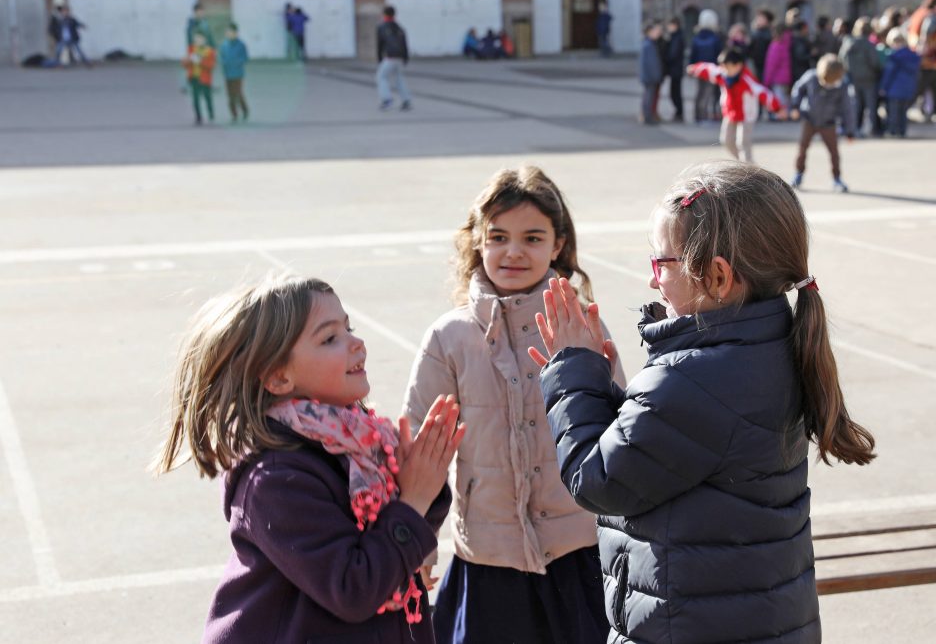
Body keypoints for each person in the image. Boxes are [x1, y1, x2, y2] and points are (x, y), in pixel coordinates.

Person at [529, 161, 876, 644]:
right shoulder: (774, 345)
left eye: (661, 263)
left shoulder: (692, 378)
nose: (653, 281)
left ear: (717, 276)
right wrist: (609, 395)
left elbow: (598, 479)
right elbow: (668, 449)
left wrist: (572, 373)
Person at [154, 275, 464, 643]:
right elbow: (352, 588)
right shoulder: (275, 479)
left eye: (349, 328)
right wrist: (413, 500)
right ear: (278, 377)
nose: (356, 343)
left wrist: (420, 477)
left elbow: (410, 531)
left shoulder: (359, 440)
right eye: (330, 338)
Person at [403, 167, 624, 644]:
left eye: (532, 237)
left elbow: (619, 437)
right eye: (498, 236)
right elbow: (421, 452)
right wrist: (415, 545)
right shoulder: (450, 337)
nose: (513, 251)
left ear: (558, 244)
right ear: (478, 241)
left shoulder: (580, 326)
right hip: (488, 563)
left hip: (579, 557)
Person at [686, 48, 781, 163]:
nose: (724, 70)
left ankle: (749, 167)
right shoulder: (722, 74)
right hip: (730, 112)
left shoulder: (746, 80)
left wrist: (777, 109)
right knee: (726, 140)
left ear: (738, 66)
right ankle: (744, 164)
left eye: (727, 67)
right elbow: (708, 69)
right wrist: (694, 69)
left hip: (746, 115)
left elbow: (763, 93)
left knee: (743, 143)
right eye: (723, 66)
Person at [790, 54, 857, 192]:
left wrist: (849, 130)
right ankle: (798, 174)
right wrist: (795, 106)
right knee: (802, 148)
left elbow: (847, 109)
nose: (827, 85)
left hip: (828, 122)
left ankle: (837, 178)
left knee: (834, 152)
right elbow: (798, 89)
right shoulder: (811, 76)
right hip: (810, 118)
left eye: (830, 84)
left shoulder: (842, 86)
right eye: (824, 82)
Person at [839, 17, 882, 136]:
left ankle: (855, 128)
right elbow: (875, 62)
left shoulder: (848, 43)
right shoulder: (869, 45)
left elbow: (842, 60)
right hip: (869, 79)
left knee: (856, 105)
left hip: (853, 79)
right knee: (871, 106)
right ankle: (873, 129)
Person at [909, 0, 936, 122]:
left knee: (932, 86)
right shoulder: (930, 16)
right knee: (923, 86)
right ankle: (903, 108)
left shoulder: (919, 13)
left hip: (923, 55)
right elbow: (928, 31)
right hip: (930, 57)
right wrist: (924, 46)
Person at [880, 30, 921, 137]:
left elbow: (889, 74)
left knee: (893, 112)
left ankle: (893, 130)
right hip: (908, 88)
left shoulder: (894, 57)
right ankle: (902, 130)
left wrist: (883, 87)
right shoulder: (913, 56)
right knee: (903, 112)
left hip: (894, 88)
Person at [377, 5, 412, 111]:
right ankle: (406, 100)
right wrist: (406, 57)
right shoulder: (399, 27)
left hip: (390, 56)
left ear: (384, 14)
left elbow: (380, 44)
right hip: (400, 57)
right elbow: (405, 43)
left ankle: (387, 99)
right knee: (399, 78)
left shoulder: (382, 27)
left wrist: (379, 58)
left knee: (381, 77)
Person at [182, 32, 217, 125]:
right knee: (195, 99)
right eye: (196, 39)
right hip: (194, 78)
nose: (197, 41)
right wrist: (189, 60)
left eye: (200, 39)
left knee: (207, 98)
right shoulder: (191, 49)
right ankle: (198, 117)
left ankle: (211, 115)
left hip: (205, 79)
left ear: (205, 40)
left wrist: (200, 61)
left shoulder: (210, 51)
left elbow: (211, 66)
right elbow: (184, 64)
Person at [219, 23, 250, 123]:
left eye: (231, 32)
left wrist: (236, 62)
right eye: (227, 32)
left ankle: (245, 110)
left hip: (238, 74)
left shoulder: (241, 45)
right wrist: (224, 62)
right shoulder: (224, 45)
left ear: (236, 33)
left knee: (238, 93)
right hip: (227, 73)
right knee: (230, 95)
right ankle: (234, 114)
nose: (229, 34)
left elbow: (245, 58)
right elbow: (221, 57)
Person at [762, 24, 793, 119]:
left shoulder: (775, 45)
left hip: (777, 77)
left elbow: (771, 65)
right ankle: (785, 114)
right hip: (786, 76)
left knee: (778, 98)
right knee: (784, 97)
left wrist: (766, 80)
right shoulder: (787, 44)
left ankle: (780, 115)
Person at [639, 22, 664, 125]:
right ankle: (647, 116)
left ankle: (647, 115)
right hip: (650, 77)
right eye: (655, 31)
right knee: (649, 97)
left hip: (649, 76)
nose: (657, 33)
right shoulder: (649, 45)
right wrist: (656, 76)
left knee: (648, 97)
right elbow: (652, 63)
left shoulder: (648, 43)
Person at [664, 18, 686, 122]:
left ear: (675, 25)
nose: (668, 28)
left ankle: (679, 113)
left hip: (675, 70)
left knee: (675, 93)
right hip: (675, 69)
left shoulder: (677, 37)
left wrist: (665, 58)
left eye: (670, 25)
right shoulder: (675, 37)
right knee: (675, 92)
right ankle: (679, 112)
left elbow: (673, 54)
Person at [749, 9, 775, 83]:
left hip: (766, 65)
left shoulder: (769, 34)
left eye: (761, 18)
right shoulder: (755, 33)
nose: (758, 20)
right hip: (755, 64)